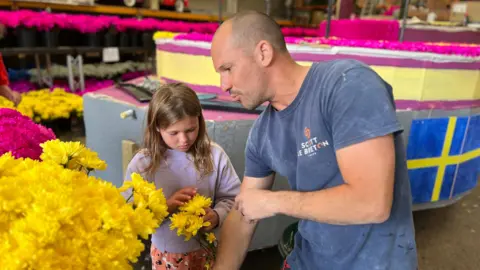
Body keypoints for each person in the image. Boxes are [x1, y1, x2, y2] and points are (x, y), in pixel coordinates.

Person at [210, 11, 418, 270]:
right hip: (307, 261)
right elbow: (243, 215)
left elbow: (371, 202)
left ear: (263, 53)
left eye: (227, 69)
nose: (223, 85)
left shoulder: (347, 84)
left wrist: (272, 201)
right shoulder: (262, 134)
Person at [123, 82, 241, 270]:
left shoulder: (215, 155)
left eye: (190, 130)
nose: (184, 140)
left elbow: (233, 198)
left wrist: (218, 215)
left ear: (199, 122)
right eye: (174, 133)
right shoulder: (142, 164)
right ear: (157, 128)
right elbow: (131, 213)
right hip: (165, 254)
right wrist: (164, 208)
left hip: (208, 249)